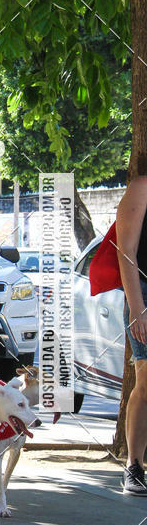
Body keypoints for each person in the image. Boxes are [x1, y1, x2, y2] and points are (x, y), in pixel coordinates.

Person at [116, 177, 147, 496]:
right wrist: (137, 308)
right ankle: (134, 466)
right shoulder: (142, 188)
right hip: (145, 297)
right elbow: (125, 250)